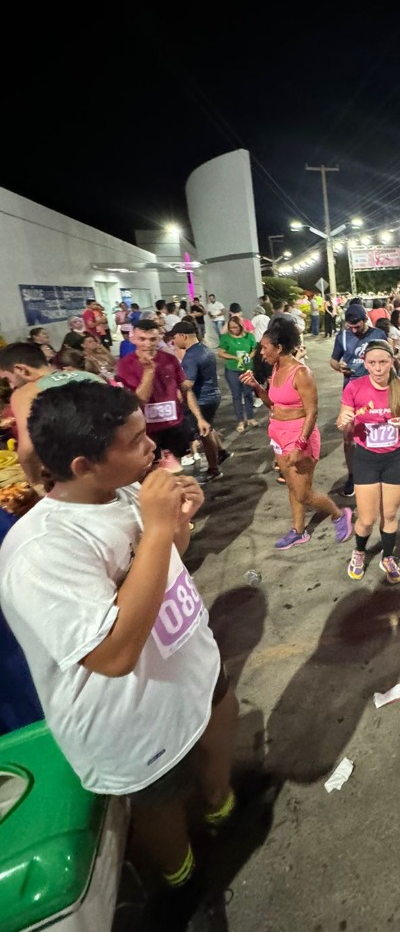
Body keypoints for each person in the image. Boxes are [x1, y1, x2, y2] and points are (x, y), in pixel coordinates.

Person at [0, 382, 238, 901]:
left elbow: (169, 558)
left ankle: (222, 803)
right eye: (134, 441)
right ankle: (182, 877)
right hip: (130, 717)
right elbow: (112, 654)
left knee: (220, 719)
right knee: (159, 801)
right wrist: (156, 529)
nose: (151, 445)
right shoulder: (40, 552)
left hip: (189, 661)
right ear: (83, 465)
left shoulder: (126, 489)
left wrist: (176, 525)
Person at [242, 320, 352, 550]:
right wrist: (256, 387)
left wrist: (299, 445)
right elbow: (273, 404)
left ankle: (339, 514)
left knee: (303, 493)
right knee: (292, 487)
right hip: (278, 434)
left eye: (264, 347)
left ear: (279, 348)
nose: (261, 352)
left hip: (299, 435)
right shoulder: (275, 368)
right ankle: (299, 531)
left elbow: (312, 412)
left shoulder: (301, 373)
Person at [337, 341, 400, 583]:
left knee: (391, 514)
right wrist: (346, 421)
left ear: (391, 361)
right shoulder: (354, 388)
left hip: (395, 458)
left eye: (383, 362)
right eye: (372, 363)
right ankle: (359, 552)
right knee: (366, 518)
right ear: (365, 363)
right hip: (366, 459)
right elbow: (343, 422)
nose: (377, 368)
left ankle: (388, 557)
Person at [0, 342, 105, 485]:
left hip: (79, 479)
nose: (11, 386)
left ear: (21, 370)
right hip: (117, 466)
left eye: (8, 380)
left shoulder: (25, 394)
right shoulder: (89, 376)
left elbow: (28, 447)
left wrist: (35, 482)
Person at [117, 320, 209, 464]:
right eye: (142, 339)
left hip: (174, 424)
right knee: (152, 469)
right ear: (133, 339)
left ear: (159, 338)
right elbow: (139, 400)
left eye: (152, 339)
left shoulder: (170, 359)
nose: (148, 344)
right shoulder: (125, 365)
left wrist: (199, 418)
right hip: (147, 429)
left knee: (177, 466)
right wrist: (149, 371)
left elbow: (185, 389)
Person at [329, 303, 388, 497]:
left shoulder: (378, 335)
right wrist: (340, 368)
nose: (354, 329)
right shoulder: (342, 337)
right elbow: (333, 360)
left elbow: (390, 359)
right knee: (348, 436)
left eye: (357, 325)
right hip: (351, 391)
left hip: (375, 390)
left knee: (376, 434)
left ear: (365, 320)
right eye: (350, 326)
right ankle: (353, 475)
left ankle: (377, 473)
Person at [171, 322, 228, 483]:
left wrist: (172, 386)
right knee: (207, 432)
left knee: (204, 434)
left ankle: (213, 469)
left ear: (183, 336)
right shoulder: (205, 349)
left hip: (200, 399)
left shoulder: (191, 356)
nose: (173, 341)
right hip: (212, 396)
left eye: (174, 337)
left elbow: (188, 383)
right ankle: (215, 463)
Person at [218, 316, 258, 434]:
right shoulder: (226, 338)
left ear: (241, 326)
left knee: (248, 393)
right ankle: (240, 420)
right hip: (232, 369)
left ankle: (250, 417)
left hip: (247, 369)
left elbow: (254, 349)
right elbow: (221, 353)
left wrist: (248, 357)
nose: (233, 330)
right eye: (231, 328)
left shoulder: (249, 336)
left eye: (235, 327)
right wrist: (235, 357)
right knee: (236, 395)